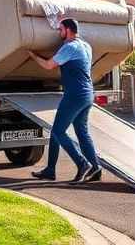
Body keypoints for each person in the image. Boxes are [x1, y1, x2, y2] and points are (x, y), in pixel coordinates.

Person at [27, 18, 102, 183]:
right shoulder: (85, 45)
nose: (58, 32)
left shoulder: (69, 47)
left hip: (74, 95)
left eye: (60, 29)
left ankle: (82, 164)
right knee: (81, 132)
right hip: (87, 94)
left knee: (58, 132)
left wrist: (32, 55)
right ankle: (94, 169)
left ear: (68, 30)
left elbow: (48, 65)